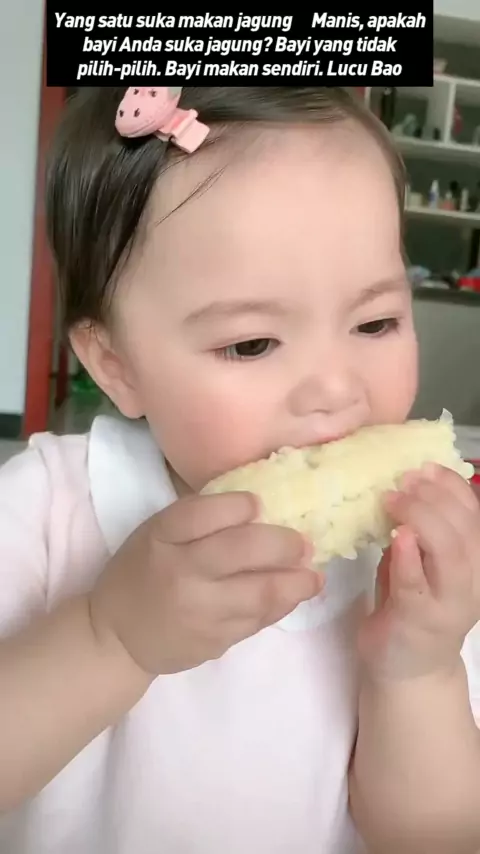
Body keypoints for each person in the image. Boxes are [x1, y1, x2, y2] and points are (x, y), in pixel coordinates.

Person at [1, 86, 480, 854]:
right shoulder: (44, 512)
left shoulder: (416, 573)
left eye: (376, 322)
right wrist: (109, 638)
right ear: (116, 365)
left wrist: (420, 670)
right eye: (251, 344)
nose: (336, 389)